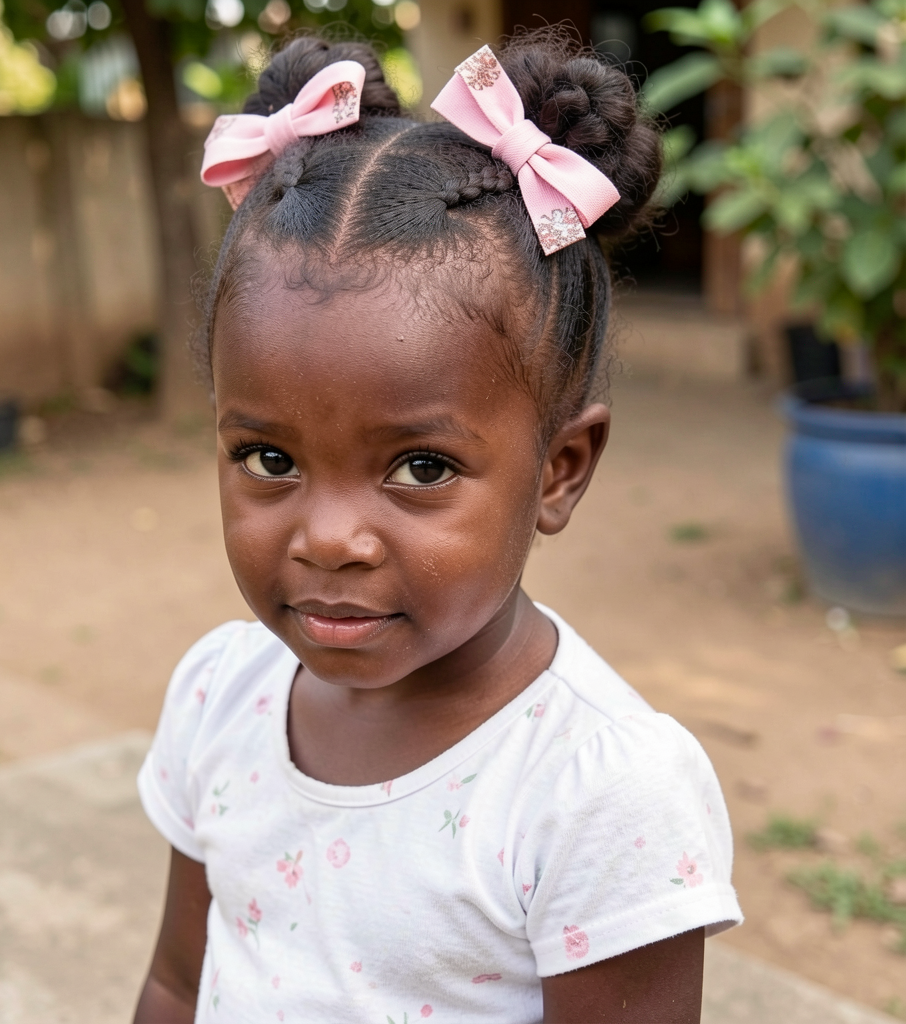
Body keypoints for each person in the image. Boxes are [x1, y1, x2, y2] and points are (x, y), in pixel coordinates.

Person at [134, 29, 742, 1024]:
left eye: (421, 468)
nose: (330, 538)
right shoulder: (220, 699)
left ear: (559, 472)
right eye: (269, 459)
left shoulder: (595, 794)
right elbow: (175, 980)